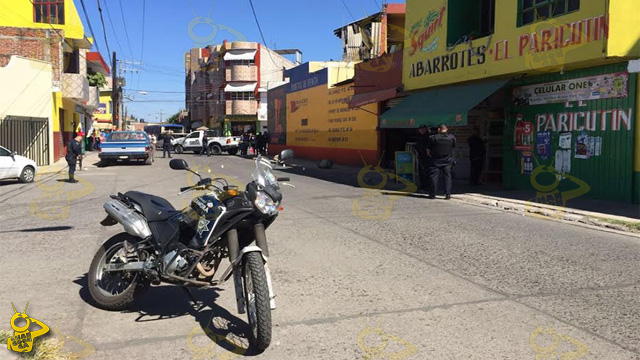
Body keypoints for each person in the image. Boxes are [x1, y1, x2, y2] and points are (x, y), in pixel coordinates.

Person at [427, 124, 456, 200]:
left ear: (439, 129)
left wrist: (431, 155)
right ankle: (448, 194)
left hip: (435, 159)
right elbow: (453, 147)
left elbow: (428, 150)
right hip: (447, 159)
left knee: (433, 177)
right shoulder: (452, 137)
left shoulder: (432, 138)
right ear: (446, 129)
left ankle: (433, 194)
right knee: (447, 177)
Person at [414, 125, 431, 191]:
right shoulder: (420, 136)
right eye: (420, 129)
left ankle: (426, 184)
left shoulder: (427, 136)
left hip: (425, 155)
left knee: (425, 170)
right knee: (422, 170)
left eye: (422, 129)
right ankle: (424, 184)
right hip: (421, 155)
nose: (420, 130)